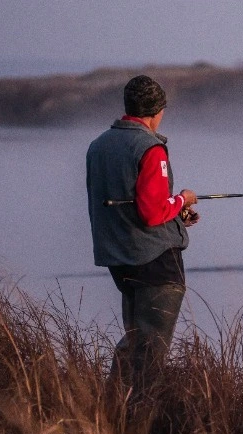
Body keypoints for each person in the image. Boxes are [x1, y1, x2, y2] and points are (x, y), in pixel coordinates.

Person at [86, 75, 198, 403]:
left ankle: (111, 407)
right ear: (156, 112)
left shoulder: (99, 145)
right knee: (151, 351)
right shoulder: (150, 148)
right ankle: (141, 420)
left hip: (120, 259)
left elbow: (126, 204)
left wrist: (174, 215)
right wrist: (183, 200)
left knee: (136, 340)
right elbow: (150, 213)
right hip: (156, 263)